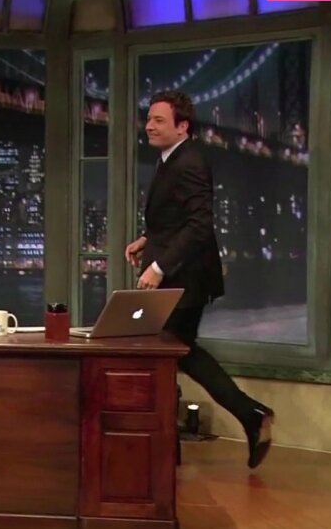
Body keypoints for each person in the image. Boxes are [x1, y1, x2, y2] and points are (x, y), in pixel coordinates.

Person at [126, 90, 275, 469]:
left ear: (182, 126)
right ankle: (244, 418)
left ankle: (166, 444)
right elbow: (176, 219)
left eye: (159, 120)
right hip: (181, 274)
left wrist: (159, 266)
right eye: (149, 119)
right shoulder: (171, 158)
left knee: (166, 350)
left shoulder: (189, 161)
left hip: (184, 278)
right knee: (180, 351)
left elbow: (198, 225)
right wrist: (148, 240)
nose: (149, 125)